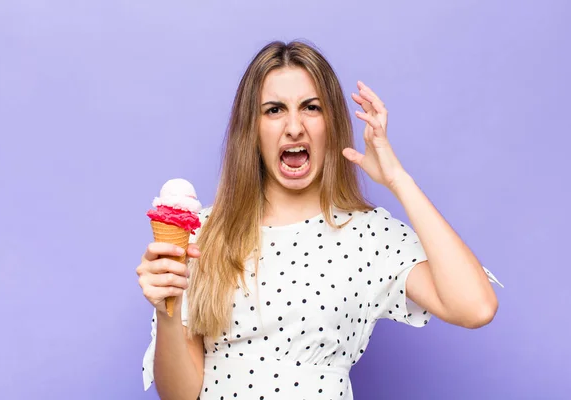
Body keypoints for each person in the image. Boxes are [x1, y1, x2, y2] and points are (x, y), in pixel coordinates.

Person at [136, 40, 504, 400]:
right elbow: (179, 395)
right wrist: (166, 309)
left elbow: (476, 307)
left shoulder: (369, 234)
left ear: (330, 123)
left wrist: (397, 179)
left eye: (311, 107)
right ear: (252, 129)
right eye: (274, 110)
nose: (294, 127)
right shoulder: (203, 233)